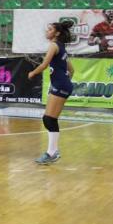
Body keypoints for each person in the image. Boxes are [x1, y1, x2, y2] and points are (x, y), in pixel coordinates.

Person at [28, 20, 75, 165]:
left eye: (50, 29)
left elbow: (44, 64)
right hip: (62, 84)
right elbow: (72, 70)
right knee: (49, 119)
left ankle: (52, 152)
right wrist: (65, 82)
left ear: (57, 33)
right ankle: (52, 151)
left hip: (61, 84)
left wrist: (32, 73)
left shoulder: (54, 45)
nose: (47, 31)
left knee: (49, 119)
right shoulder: (61, 47)